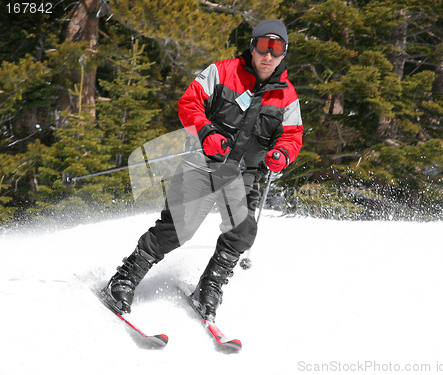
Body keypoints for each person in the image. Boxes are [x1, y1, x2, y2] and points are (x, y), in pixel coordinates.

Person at [102, 19, 304, 322]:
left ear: (284, 53)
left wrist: (281, 154)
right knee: (176, 229)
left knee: (242, 232)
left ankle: (209, 286)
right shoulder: (221, 72)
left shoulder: (286, 95)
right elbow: (189, 103)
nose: (268, 56)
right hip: (203, 163)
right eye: (264, 46)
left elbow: (292, 136)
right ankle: (125, 277)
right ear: (252, 46)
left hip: (243, 174)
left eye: (277, 49)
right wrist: (207, 132)